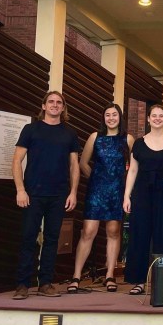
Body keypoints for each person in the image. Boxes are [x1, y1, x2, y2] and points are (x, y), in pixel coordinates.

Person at [12, 91, 80, 299]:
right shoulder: (31, 129)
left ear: (63, 108)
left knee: (52, 239)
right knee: (28, 237)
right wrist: (20, 190)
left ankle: (45, 283)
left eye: (59, 102)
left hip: (59, 194)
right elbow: (16, 161)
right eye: (51, 102)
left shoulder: (69, 134)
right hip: (32, 193)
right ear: (43, 106)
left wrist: (73, 192)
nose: (55, 105)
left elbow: (74, 166)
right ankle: (22, 285)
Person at [67, 103, 134, 293]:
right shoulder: (95, 137)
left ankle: (110, 275)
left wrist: (124, 185)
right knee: (88, 231)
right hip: (96, 191)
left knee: (113, 231)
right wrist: (97, 178)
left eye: (114, 115)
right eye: (107, 115)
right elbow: (83, 163)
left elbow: (134, 166)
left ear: (120, 117)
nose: (111, 118)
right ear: (103, 118)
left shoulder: (128, 139)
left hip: (117, 191)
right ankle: (76, 276)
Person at [123, 104, 163, 296]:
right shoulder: (138, 144)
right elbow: (133, 171)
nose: (158, 118)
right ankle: (139, 281)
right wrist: (126, 195)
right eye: (154, 116)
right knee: (139, 236)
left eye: (161, 116)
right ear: (148, 119)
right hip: (142, 193)